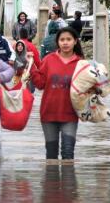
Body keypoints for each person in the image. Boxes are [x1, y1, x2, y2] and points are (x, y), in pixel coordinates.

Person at [30, 27, 84, 160]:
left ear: (75, 41)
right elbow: (40, 84)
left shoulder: (81, 63)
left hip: (70, 114)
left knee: (68, 153)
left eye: (69, 39)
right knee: (51, 154)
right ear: (57, 42)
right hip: (49, 113)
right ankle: (52, 181)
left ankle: (69, 181)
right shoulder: (49, 60)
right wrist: (30, 66)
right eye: (62, 40)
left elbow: (86, 89)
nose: (65, 43)